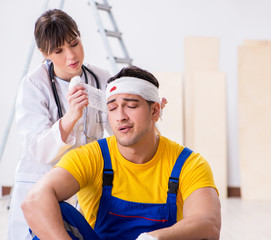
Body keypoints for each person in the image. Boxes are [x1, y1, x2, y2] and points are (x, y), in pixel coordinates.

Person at [8, 9, 168, 240]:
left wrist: (150, 116)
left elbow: (121, 129)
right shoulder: (34, 85)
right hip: (43, 178)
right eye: (59, 50)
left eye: (74, 43)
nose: (71, 55)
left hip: (85, 179)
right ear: (44, 53)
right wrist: (71, 117)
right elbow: (37, 149)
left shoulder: (100, 77)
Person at [21, 65, 221, 240]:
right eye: (113, 108)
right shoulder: (93, 157)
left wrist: (153, 237)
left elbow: (208, 223)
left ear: (155, 111)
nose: (120, 117)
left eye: (131, 106)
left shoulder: (188, 164)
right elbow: (33, 201)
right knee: (54, 212)